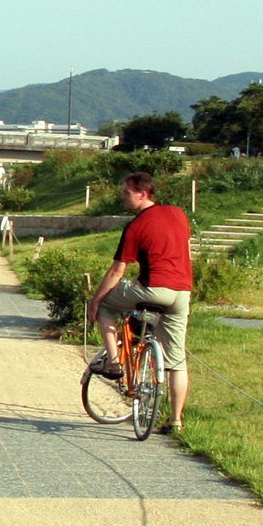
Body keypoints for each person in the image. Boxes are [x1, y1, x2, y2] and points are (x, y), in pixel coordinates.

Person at [83, 170, 192, 433]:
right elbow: (186, 250)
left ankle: (114, 362)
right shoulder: (178, 213)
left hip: (154, 288)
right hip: (182, 291)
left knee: (107, 306)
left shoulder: (136, 225)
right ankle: (175, 421)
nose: (123, 196)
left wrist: (95, 300)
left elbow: (116, 272)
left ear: (142, 194)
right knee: (177, 361)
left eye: (126, 192)